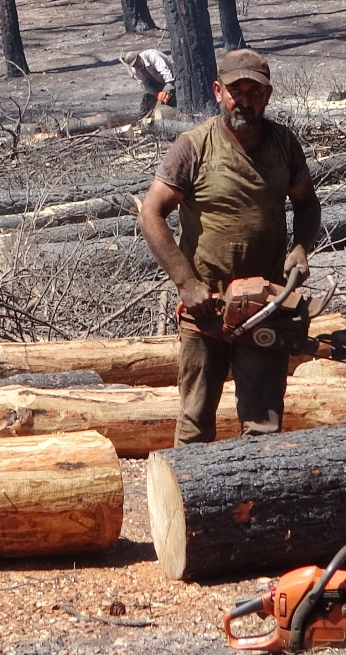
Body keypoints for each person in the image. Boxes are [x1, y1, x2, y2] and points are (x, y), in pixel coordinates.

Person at [137, 49, 322, 444]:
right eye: (235, 90)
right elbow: (150, 215)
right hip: (205, 309)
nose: (244, 99)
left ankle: (255, 501)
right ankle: (187, 497)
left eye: (253, 91)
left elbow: (307, 203)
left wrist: (302, 247)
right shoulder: (193, 147)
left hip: (265, 306)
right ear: (218, 91)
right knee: (194, 423)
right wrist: (186, 283)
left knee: (263, 426)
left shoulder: (284, 146)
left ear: (267, 96)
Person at [120, 49, 176, 117]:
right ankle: (143, 121)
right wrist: (156, 93)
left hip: (174, 77)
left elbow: (166, 72)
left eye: (136, 63)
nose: (136, 66)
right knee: (147, 99)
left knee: (172, 97)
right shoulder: (135, 70)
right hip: (158, 82)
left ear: (139, 57)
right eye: (133, 65)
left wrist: (167, 89)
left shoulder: (152, 56)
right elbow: (144, 83)